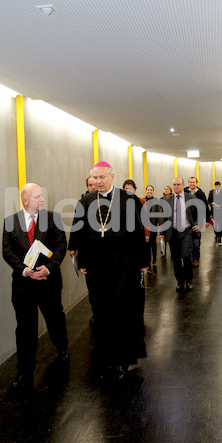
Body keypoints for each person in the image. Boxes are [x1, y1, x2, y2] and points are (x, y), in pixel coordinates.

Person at [73, 162, 149, 380]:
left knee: (123, 310)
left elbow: (137, 232)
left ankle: (123, 360)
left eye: (102, 177)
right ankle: (106, 357)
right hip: (97, 265)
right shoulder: (86, 201)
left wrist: (143, 260)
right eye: (94, 178)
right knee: (102, 310)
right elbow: (81, 233)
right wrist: (82, 260)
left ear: (112, 177)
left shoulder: (127, 199)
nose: (98, 181)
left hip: (123, 263)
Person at [2, 183, 68, 394]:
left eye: (42, 195)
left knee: (54, 317)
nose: (42, 199)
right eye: (37, 196)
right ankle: (24, 372)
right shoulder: (10, 222)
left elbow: (61, 246)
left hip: (48, 282)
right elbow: (7, 251)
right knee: (25, 328)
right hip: (23, 285)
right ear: (25, 200)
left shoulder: (52, 218)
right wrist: (24, 270)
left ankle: (63, 347)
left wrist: (47, 269)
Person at [68, 176, 98, 327]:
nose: (93, 187)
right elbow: (76, 226)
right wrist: (72, 247)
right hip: (88, 253)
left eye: (95, 184)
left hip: (106, 254)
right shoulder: (82, 203)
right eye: (90, 185)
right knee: (92, 287)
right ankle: (96, 313)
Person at [161, 177, 200, 292]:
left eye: (178, 184)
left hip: (187, 232)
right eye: (174, 185)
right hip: (173, 233)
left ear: (183, 185)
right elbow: (164, 218)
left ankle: (188, 281)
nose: (176, 186)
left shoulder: (191, 198)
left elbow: (199, 213)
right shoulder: (168, 200)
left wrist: (198, 224)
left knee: (186, 257)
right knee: (176, 259)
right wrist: (162, 233)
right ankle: (179, 282)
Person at [184, 177, 210, 266]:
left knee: (196, 241)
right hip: (186, 220)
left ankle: (196, 259)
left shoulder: (201, 194)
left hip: (197, 219)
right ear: (188, 183)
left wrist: (207, 221)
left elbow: (206, 207)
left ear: (197, 183)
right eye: (190, 182)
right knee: (187, 241)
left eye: (193, 182)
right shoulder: (184, 192)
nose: (192, 184)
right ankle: (188, 258)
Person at [145, 184, 162, 265]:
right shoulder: (142, 200)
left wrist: (159, 225)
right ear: (146, 191)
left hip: (153, 225)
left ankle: (154, 258)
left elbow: (159, 214)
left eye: (151, 190)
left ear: (153, 191)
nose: (149, 191)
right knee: (146, 244)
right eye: (148, 189)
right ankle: (148, 259)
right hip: (145, 226)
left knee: (153, 243)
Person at [208, 181, 222, 245]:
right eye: (216, 185)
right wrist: (212, 205)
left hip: (221, 211)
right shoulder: (211, 192)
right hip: (213, 211)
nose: (217, 186)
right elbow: (209, 200)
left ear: (219, 185)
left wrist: (221, 205)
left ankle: (220, 238)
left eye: (218, 185)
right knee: (215, 224)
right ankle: (216, 234)